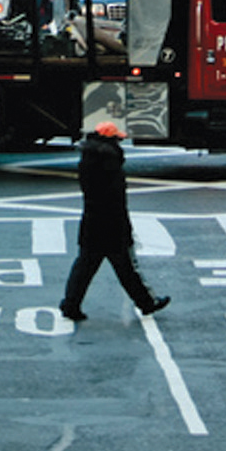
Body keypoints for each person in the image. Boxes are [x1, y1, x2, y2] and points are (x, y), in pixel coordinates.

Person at [59, 121, 169, 323]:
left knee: (84, 268)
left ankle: (70, 304)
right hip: (113, 225)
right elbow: (116, 199)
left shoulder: (88, 160)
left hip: (92, 222)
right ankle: (147, 302)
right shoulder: (111, 163)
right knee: (127, 269)